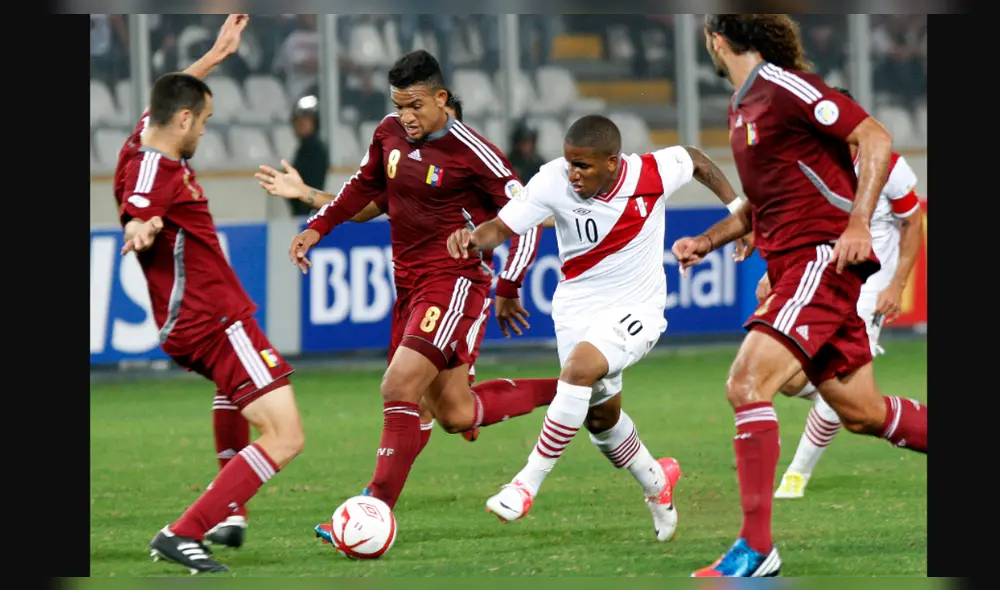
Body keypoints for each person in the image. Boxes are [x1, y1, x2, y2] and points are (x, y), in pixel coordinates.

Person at [255, 50, 558, 530]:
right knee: (455, 413)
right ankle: (572, 394)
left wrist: (508, 284)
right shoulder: (388, 134)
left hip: (454, 281)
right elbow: (363, 188)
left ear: (441, 99)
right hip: (409, 284)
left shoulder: (474, 153)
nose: (406, 116)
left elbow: (527, 219)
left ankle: (372, 510)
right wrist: (317, 226)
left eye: (415, 105)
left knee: (399, 387)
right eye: (399, 105)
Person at [670, 15, 928, 577]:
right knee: (862, 412)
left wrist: (859, 224)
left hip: (821, 258)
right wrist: (708, 240)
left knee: (747, 382)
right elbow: (764, 201)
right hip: (793, 263)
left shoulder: (783, 86)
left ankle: (757, 549)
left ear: (717, 39)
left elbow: (876, 137)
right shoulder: (743, 106)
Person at [445, 114, 746, 542]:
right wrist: (472, 239)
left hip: (638, 308)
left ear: (611, 162)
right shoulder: (552, 180)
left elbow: (696, 160)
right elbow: (502, 227)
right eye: (569, 163)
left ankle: (525, 484)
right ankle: (657, 483)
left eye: (583, 166)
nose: (573, 174)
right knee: (601, 420)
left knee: (578, 372)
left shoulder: (650, 172)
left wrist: (737, 211)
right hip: (576, 309)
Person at [114, 16, 306, 575]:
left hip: (195, 321)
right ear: (183, 120)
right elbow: (143, 208)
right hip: (214, 318)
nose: (204, 131)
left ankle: (229, 514)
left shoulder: (137, 144)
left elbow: (167, 99)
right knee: (287, 435)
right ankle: (184, 530)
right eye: (203, 121)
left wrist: (215, 57)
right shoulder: (155, 167)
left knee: (239, 397)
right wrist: (140, 226)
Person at [769, 86, 926, 500]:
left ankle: (796, 476)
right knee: (789, 379)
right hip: (826, 275)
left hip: (869, 282)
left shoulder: (886, 165)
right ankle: (891, 414)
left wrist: (897, 284)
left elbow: (913, 223)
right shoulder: (811, 165)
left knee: (837, 374)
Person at [285, 95, 330, 218]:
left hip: (309, 213)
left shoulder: (315, 149)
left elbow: (310, 186)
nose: (301, 125)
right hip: (303, 214)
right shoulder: (303, 148)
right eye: (298, 121)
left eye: (306, 121)